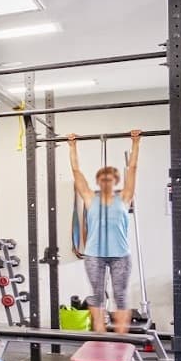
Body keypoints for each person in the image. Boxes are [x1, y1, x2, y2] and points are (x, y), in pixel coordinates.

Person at [68, 130, 141, 334]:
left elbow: (133, 168)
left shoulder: (125, 198)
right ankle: (100, 335)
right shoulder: (90, 199)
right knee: (97, 295)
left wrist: (136, 143)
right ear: (99, 181)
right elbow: (76, 172)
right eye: (103, 178)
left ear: (116, 181)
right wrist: (72, 146)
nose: (107, 181)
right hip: (94, 255)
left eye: (110, 178)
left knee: (120, 295)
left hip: (121, 256)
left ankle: (121, 339)